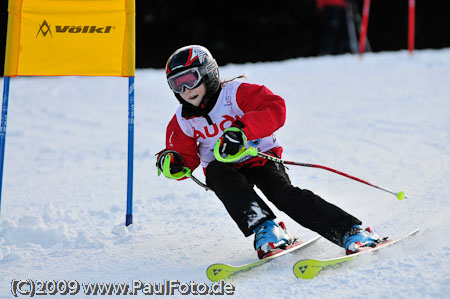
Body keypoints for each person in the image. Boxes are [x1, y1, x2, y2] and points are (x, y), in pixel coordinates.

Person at [156, 45, 379, 259]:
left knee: (282, 194)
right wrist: (174, 163)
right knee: (215, 172)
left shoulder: (234, 94)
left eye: (190, 80)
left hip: (259, 158)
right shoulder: (182, 121)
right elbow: (183, 156)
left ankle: (351, 231)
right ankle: (268, 229)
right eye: (177, 85)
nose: (186, 90)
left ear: (208, 74)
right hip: (226, 169)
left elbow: (274, 108)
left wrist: (241, 131)